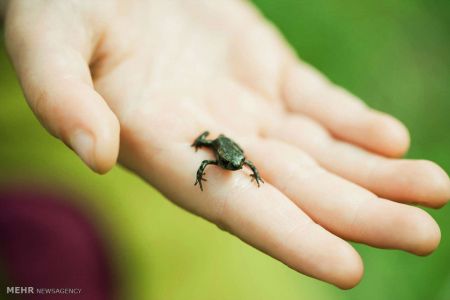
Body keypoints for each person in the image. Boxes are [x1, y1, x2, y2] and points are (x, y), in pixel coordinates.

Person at [1, 0, 449, 289]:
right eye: (232, 165)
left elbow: (241, 161)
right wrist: (204, 154)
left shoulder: (236, 160)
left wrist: (245, 170)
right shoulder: (216, 153)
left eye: (236, 166)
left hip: (204, 247)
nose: (233, 168)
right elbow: (208, 159)